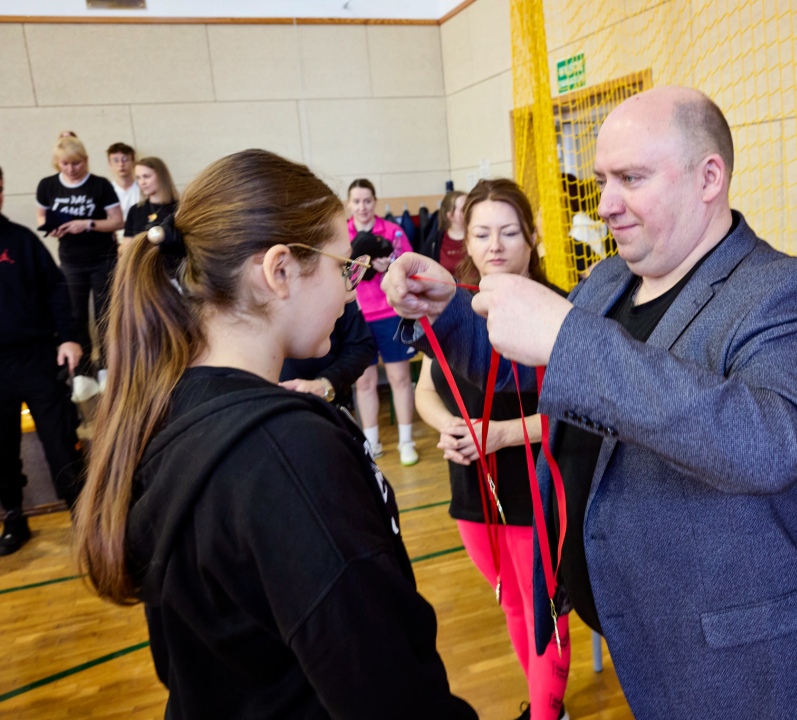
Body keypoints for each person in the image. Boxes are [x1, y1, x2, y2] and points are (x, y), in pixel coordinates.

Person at [382, 85, 797, 719]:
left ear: (709, 178)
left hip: (751, 667)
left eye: (632, 178)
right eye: (602, 180)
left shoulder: (793, 293)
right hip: (646, 636)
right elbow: (531, 364)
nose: (606, 204)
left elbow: (768, 444)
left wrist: (567, 337)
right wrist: (449, 310)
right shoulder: (608, 280)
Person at [71, 149, 478, 720]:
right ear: (279, 271)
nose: (349, 290)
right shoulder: (287, 453)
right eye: (342, 268)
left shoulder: (172, 402)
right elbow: (388, 692)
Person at [414, 179, 570, 720]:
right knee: (512, 602)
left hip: (536, 487)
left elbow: (579, 411)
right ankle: (546, 706)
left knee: (544, 610)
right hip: (473, 486)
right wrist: (448, 426)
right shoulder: (453, 307)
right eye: (482, 233)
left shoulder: (560, 310)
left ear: (532, 237)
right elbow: (425, 391)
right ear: (466, 238)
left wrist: (502, 434)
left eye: (509, 232)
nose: (495, 246)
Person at [0, 164, 84, 555]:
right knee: (1, 451)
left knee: (60, 442)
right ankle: (14, 517)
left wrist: (69, 337)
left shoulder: (21, 241)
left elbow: (56, 290)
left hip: (36, 358)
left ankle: (84, 515)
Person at [35, 135, 123, 396]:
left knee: (106, 314)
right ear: (57, 163)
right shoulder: (48, 185)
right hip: (71, 260)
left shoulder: (100, 185)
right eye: (65, 164)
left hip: (102, 258)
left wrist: (88, 224)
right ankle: (83, 373)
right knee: (76, 315)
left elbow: (117, 221)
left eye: (76, 163)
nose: (71, 169)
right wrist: (51, 228)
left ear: (85, 160)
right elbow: (41, 216)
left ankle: (107, 368)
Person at [346, 178, 420, 466]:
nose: (362, 207)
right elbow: (336, 273)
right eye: (356, 201)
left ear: (375, 202)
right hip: (358, 317)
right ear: (349, 204)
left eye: (367, 201)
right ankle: (372, 444)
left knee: (399, 379)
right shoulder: (341, 234)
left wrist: (391, 267)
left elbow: (411, 266)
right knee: (364, 382)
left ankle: (406, 442)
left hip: (390, 314)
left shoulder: (392, 231)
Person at [280, 299, 377, 414]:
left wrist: (325, 384)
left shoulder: (339, 293)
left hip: (328, 405)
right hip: (273, 403)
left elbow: (360, 346)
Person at [121, 157, 178, 250]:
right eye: (138, 178)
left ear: (161, 177)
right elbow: (126, 246)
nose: (142, 182)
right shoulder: (135, 210)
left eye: (146, 176)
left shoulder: (178, 208)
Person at [419, 190, 467, 273]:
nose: (469, 212)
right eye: (464, 209)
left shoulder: (479, 237)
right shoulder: (434, 243)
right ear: (450, 215)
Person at [107, 142, 140, 222]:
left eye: (125, 160)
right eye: (116, 160)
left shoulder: (143, 187)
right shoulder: (107, 191)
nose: (121, 164)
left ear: (133, 162)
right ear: (110, 164)